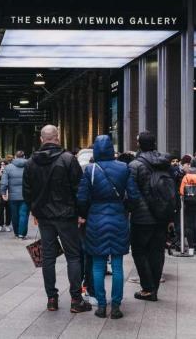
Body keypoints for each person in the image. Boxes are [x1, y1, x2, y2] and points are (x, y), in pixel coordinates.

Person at [23, 125, 91, 314]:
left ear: (41, 139)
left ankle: (51, 299)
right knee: (73, 256)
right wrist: (81, 213)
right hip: (66, 215)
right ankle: (76, 300)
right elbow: (79, 189)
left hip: (44, 216)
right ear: (58, 137)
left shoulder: (31, 162)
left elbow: (27, 192)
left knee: (48, 257)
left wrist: (34, 211)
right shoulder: (68, 159)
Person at [77, 135, 140, 319]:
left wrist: (86, 212)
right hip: (119, 218)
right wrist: (125, 208)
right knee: (118, 266)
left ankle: (102, 305)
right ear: (112, 149)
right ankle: (117, 305)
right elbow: (134, 196)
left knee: (97, 265)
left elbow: (81, 198)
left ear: (96, 149)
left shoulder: (90, 170)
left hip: (96, 219)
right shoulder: (123, 167)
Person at [128, 131, 176, 301]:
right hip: (162, 215)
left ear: (139, 144)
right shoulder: (166, 163)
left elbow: (131, 193)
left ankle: (147, 288)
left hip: (142, 217)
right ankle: (153, 287)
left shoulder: (135, 165)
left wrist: (131, 209)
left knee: (139, 251)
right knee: (157, 251)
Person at [1, 150, 29, 239]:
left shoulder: (8, 167)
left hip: (13, 196)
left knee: (14, 215)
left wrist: (3, 192)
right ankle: (22, 234)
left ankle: (17, 233)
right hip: (26, 195)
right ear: (24, 157)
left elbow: (4, 182)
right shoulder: (29, 166)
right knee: (24, 214)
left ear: (15, 157)